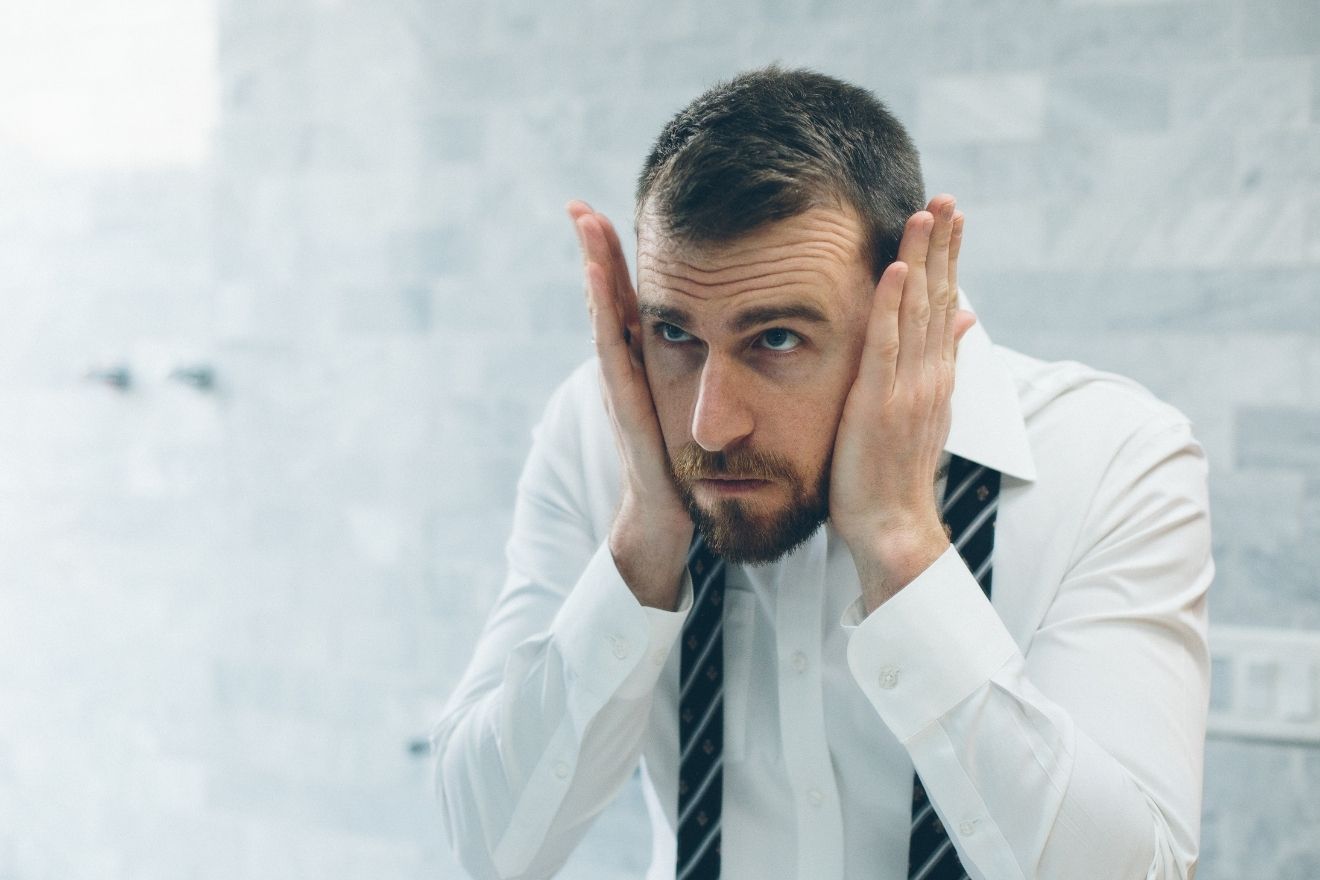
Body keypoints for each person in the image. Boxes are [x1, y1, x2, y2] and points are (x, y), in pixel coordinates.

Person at [432, 67, 1212, 880]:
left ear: (900, 316)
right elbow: (490, 849)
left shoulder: (1117, 458)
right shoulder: (603, 434)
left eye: (775, 338)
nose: (710, 424)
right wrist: (642, 543)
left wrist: (902, 545)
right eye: (675, 332)